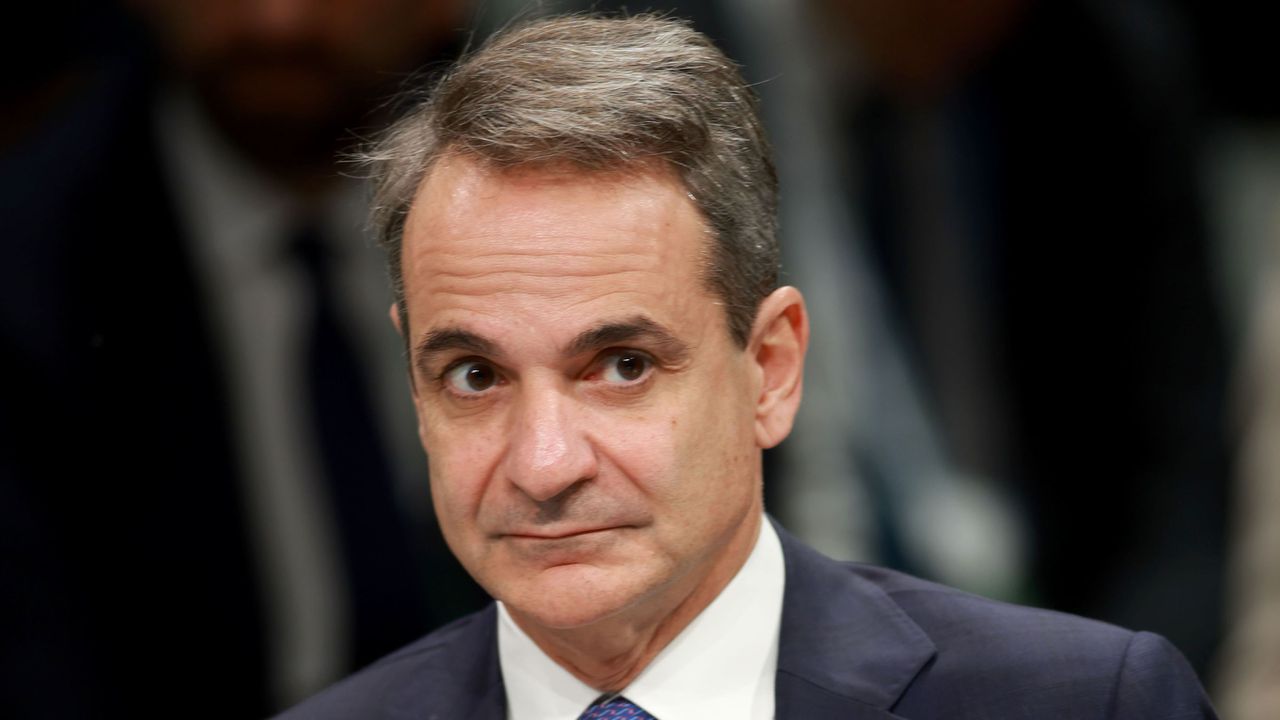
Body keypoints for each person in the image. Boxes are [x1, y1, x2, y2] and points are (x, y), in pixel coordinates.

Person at [278, 14, 1217, 719]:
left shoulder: (1085, 702)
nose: (544, 464)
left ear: (771, 369)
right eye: (475, 377)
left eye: (621, 365)